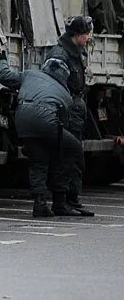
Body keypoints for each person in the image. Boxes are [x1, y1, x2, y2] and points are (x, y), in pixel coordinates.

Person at [0, 53, 83, 217]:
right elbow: (64, 123)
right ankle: (60, 201)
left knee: (38, 161)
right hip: (47, 122)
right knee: (72, 149)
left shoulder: (29, 75)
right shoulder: (65, 94)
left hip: (23, 120)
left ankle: (39, 203)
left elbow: (4, 76)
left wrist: (1, 59)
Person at [46, 15, 94, 216]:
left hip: (75, 109)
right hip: (66, 110)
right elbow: (54, 85)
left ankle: (72, 198)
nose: (89, 37)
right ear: (77, 35)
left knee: (75, 157)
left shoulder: (76, 51)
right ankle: (60, 200)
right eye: (86, 34)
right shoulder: (60, 54)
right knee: (64, 156)